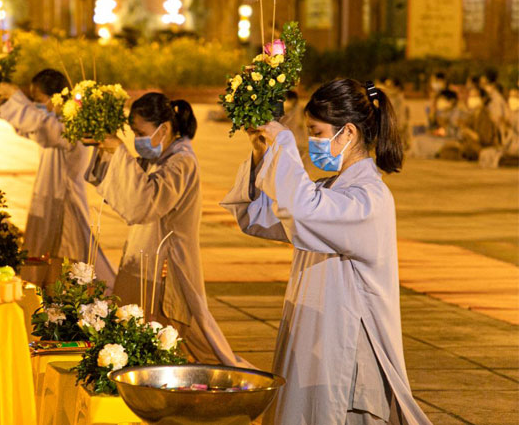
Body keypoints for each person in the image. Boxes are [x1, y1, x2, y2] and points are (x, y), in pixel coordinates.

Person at [221, 79, 431, 424]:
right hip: (315, 336)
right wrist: (262, 152)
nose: (312, 141)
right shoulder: (329, 190)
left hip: (345, 352)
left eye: (316, 132)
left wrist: (283, 143)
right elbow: (258, 217)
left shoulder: (369, 199)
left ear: (347, 133)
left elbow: (302, 208)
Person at [85, 92, 247, 367]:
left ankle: (220, 380)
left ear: (166, 128)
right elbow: (124, 186)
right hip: (141, 259)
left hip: (166, 265)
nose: (137, 139)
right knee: (133, 331)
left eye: (140, 132)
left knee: (180, 338)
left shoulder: (181, 162)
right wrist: (108, 150)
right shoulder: (160, 157)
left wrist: (120, 152)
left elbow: (146, 201)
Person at [0, 70, 116, 287]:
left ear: (54, 97)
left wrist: (16, 98)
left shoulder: (72, 123)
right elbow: (34, 129)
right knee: (47, 247)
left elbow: (44, 127)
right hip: (49, 193)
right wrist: (12, 106)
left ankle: (88, 292)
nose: (37, 106)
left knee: (74, 250)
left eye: (39, 100)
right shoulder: (55, 120)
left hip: (65, 197)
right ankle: (47, 290)